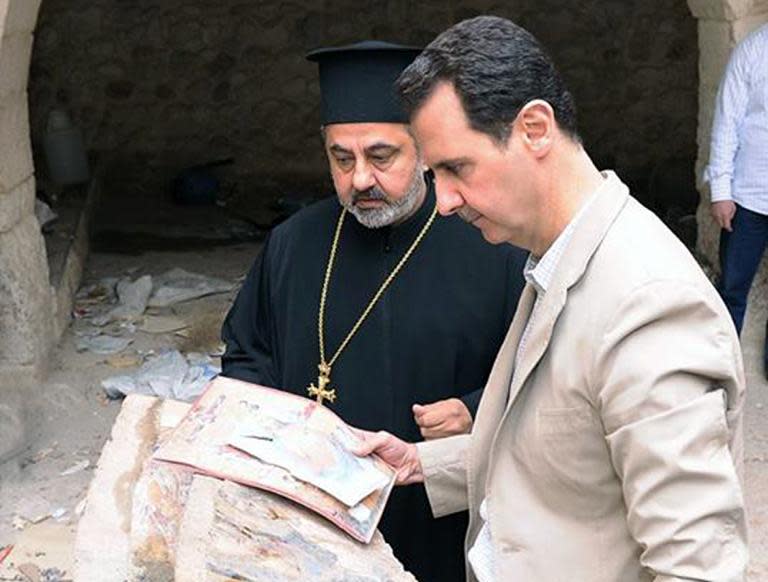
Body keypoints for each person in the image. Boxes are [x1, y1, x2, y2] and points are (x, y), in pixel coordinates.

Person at [356, 16, 748, 582]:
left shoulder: (649, 306)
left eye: (456, 168)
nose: (443, 201)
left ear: (535, 129)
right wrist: (423, 462)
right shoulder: (558, 254)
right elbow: (572, 448)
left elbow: (697, 567)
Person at [220, 40, 527, 582]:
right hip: (308, 522)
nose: (360, 179)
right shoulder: (293, 243)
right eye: (342, 159)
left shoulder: (492, 245)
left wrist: (475, 409)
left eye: (381, 157)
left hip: (442, 522)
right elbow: (248, 353)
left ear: (424, 150)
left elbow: (543, 373)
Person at [704, 23, 768, 378]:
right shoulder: (753, 51)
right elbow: (726, 123)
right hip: (748, 197)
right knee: (732, 287)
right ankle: (720, 370)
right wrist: (721, 192)